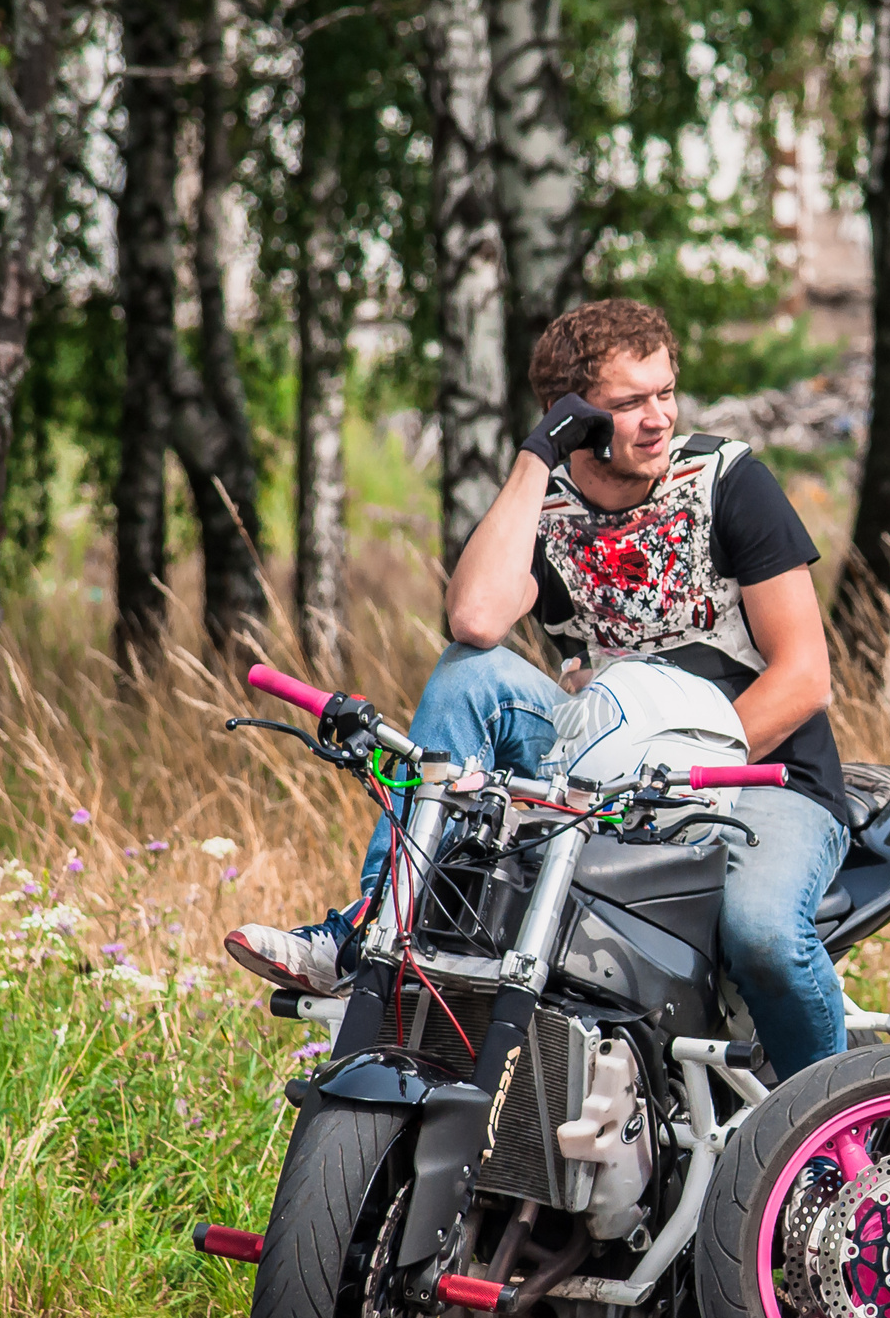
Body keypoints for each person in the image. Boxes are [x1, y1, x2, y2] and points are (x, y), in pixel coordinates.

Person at [227, 298, 852, 1075]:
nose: (658, 417)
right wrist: (536, 459)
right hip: (603, 764)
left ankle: (833, 1126)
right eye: (629, 404)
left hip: (766, 779)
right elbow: (477, 617)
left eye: (666, 392)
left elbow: (805, 677)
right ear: (576, 416)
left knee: (763, 933)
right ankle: (371, 927)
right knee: (470, 673)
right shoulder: (543, 510)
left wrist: (664, 777)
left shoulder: (729, 480)